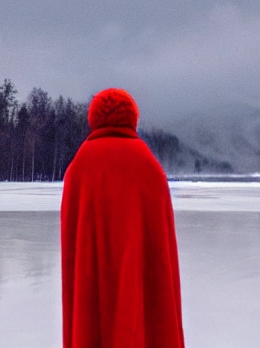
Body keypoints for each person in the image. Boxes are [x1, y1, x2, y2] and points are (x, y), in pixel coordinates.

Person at [61, 88, 185, 348]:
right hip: (137, 309)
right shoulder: (149, 168)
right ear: (132, 118)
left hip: (91, 304)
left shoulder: (79, 169)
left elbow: (73, 256)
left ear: (94, 119)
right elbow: (161, 262)